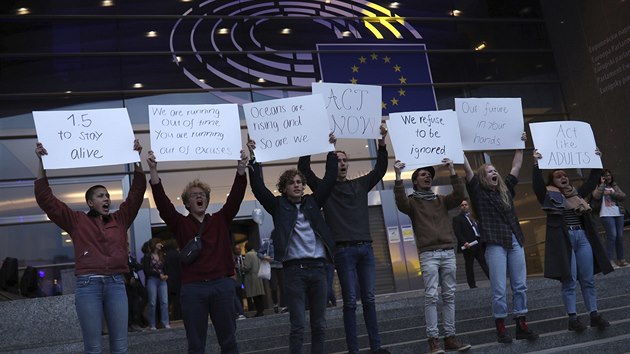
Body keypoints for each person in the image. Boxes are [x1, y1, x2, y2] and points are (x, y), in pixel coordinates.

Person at [34, 140, 146, 354]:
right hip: (88, 286)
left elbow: (137, 193)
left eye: (108, 196)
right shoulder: (77, 221)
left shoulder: (120, 219)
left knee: (121, 347)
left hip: (116, 285)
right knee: (93, 347)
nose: (107, 199)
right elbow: (46, 199)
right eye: (101, 196)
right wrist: (41, 162)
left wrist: (136, 160)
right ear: (90, 203)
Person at [298, 124, 389, 354]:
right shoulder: (324, 188)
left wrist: (381, 143)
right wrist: (320, 145)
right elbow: (304, 169)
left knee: (369, 299)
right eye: (337, 159)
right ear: (331, 163)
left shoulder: (360, 184)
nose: (342, 163)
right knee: (349, 301)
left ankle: (376, 347)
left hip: (365, 248)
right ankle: (354, 350)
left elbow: (379, 170)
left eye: (344, 160)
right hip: (343, 250)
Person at [147, 149, 248, 354]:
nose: (199, 197)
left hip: (222, 285)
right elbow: (164, 206)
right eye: (194, 196)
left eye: (202, 194)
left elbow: (236, 198)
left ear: (207, 199)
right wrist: (154, 172)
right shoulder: (181, 224)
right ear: (187, 202)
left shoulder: (220, 219)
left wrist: (240, 169)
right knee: (195, 345)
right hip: (193, 289)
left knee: (229, 342)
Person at [247, 136, 337, 354]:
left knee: (320, 324)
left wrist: (330, 149)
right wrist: (254, 158)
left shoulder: (313, 203)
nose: (296, 185)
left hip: (319, 269)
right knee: (298, 326)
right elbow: (258, 189)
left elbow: (330, 178)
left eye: (299, 182)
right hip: (294, 271)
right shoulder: (278, 207)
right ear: (284, 188)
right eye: (292, 183)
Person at [463, 132, 538, 343]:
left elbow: (515, 167)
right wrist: (457, 147)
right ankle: (501, 328)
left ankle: (521, 325)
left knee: (520, 285)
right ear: (483, 177)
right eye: (489, 171)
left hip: (515, 240)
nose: (494, 172)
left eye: (495, 170)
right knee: (498, 288)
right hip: (495, 243)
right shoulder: (478, 192)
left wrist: (519, 147)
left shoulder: (506, 191)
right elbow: (468, 170)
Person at [394, 158, 471, 354]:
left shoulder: (441, 200)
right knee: (431, 296)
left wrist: (452, 170)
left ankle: (450, 338)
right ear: (415, 180)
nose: (427, 175)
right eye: (422, 174)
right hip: (429, 254)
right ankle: (433, 340)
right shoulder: (412, 202)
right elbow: (400, 202)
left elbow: (460, 194)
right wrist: (397, 176)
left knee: (449, 296)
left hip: (447, 252)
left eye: (429, 174)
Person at [532, 149, 613, 331]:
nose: (563, 177)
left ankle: (594, 314)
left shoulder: (576, 194)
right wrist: (536, 165)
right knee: (569, 279)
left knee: (588, 279)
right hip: (565, 239)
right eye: (558, 176)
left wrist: (597, 160)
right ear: (552, 181)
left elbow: (592, 181)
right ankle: (573, 318)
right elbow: (537, 186)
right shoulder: (549, 195)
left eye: (565, 175)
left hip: (582, 237)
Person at [591, 169, 627, 267]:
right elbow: (596, 196)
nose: (608, 177)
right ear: (601, 177)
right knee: (612, 235)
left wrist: (611, 193)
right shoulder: (598, 186)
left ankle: (621, 259)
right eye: (606, 175)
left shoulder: (614, 186)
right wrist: (602, 185)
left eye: (609, 175)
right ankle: (610, 260)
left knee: (620, 236)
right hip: (606, 214)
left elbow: (623, 196)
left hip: (618, 213)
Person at [452, 199, 489, 289]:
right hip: (469, 245)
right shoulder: (457, 219)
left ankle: (493, 280)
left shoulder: (473, 216)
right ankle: (472, 285)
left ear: (468, 206)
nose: (464, 206)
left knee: (484, 263)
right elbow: (458, 232)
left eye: (466, 204)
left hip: (479, 243)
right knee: (469, 266)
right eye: (462, 205)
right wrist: (464, 242)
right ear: (459, 208)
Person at [142, 238, 170, 330]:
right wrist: (159, 274)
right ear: (154, 244)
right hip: (152, 280)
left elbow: (165, 267)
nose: (160, 244)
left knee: (164, 301)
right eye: (158, 243)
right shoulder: (147, 256)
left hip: (162, 280)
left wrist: (166, 275)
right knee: (152, 302)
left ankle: (165, 322)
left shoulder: (162, 255)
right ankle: (152, 324)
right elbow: (146, 270)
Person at [258, 236, 287, 313]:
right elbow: (259, 253)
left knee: (283, 287)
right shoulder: (268, 243)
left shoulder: (283, 243)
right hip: (272, 267)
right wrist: (265, 257)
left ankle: (283, 306)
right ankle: (275, 304)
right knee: (273, 287)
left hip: (282, 266)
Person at [125, 248, 146, 332]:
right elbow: (127, 268)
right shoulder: (124, 258)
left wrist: (133, 266)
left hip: (137, 282)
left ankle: (138, 321)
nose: (128, 249)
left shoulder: (132, 258)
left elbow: (139, 266)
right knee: (131, 303)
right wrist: (129, 276)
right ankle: (131, 324)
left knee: (142, 298)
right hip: (128, 282)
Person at [243, 242, 266, 317]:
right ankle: (261, 310)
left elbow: (247, 267)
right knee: (259, 295)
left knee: (255, 295)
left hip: (251, 277)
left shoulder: (248, 255)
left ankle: (259, 311)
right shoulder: (257, 254)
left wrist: (240, 267)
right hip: (258, 275)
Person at [162, 238, 182, 321]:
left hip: (167, 279)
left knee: (167, 300)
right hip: (178, 279)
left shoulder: (164, 255)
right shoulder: (178, 254)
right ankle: (178, 316)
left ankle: (166, 319)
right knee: (178, 300)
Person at [233, 243, 247, 320]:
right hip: (236, 280)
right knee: (237, 296)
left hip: (244, 279)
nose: (238, 250)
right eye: (236, 249)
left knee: (243, 294)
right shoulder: (233, 258)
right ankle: (240, 312)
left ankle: (242, 312)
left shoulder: (244, 257)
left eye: (239, 249)